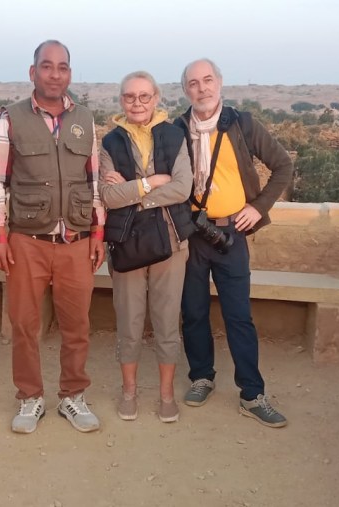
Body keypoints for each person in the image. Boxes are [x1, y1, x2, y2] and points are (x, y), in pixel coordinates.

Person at [0, 40, 106, 434]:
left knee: (77, 325)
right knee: (24, 324)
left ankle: (72, 396)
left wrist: (97, 231)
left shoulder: (85, 119)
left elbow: (93, 182)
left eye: (62, 67)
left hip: (76, 240)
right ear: (33, 72)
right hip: (26, 241)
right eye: (47, 66)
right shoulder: (11, 118)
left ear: (69, 73)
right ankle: (30, 398)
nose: (55, 74)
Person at [174, 58, 294, 428]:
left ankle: (252, 394)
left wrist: (258, 208)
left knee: (239, 316)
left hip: (232, 235)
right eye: (194, 83)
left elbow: (283, 166)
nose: (202, 88)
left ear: (220, 84)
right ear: (185, 90)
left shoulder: (242, 124)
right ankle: (201, 377)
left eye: (208, 80)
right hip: (193, 235)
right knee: (193, 312)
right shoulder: (176, 129)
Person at [98, 71, 194, 423]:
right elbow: (108, 195)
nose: (137, 103)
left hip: (171, 242)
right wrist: (151, 183)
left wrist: (134, 194)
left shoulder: (174, 135)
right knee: (129, 321)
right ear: (120, 101)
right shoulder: (109, 142)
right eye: (129, 97)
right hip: (127, 243)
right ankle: (130, 392)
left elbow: (183, 188)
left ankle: (167, 395)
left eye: (144, 96)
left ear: (156, 98)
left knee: (168, 321)